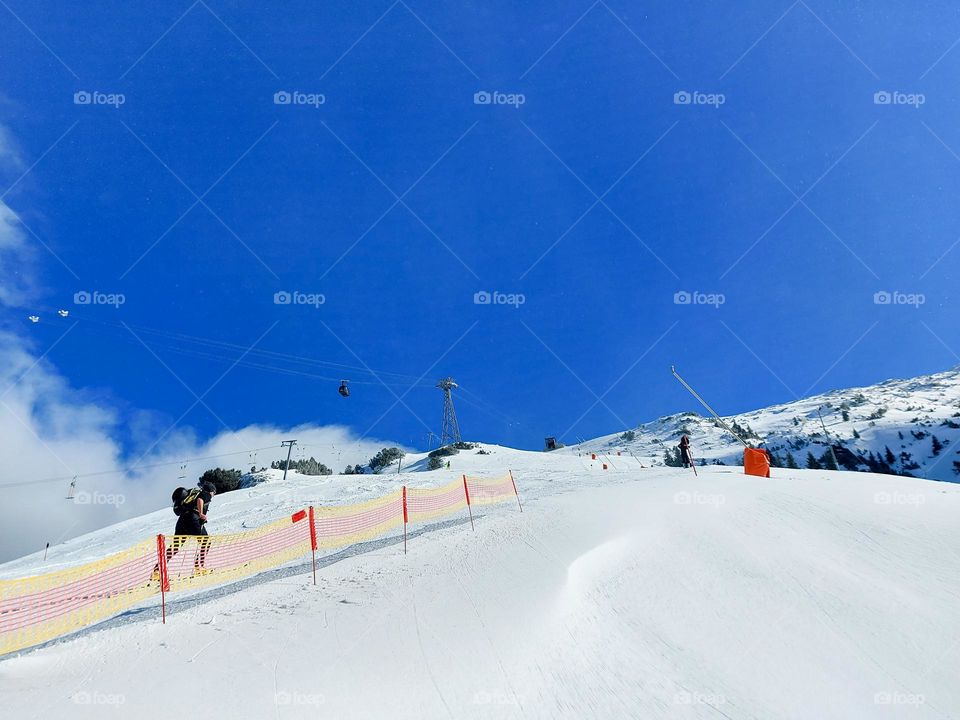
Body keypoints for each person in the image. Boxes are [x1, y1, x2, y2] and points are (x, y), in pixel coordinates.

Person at [170, 482, 216, 574]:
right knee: (206, 542)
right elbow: (200, 499)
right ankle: (199, 567)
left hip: (182, 521)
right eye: (214, 493)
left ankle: (157, 569)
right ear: (211, 491)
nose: (213, 495)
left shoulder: (192, 494)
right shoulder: (205, 493)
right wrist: (200, 513)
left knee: (175, 547)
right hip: (193, 519)